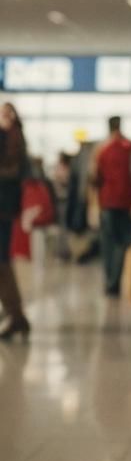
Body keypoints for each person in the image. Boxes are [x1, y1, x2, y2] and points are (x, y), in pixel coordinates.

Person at [90, 116, 131, 296]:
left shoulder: (102, 149)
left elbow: (95, 178)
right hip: (127, 202)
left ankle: (110, 280)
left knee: (108, 242)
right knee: (123, 242)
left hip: (107, 202)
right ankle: (115, 280)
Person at [0, 102, 30, 341]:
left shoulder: (8, 138)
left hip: (3, 208)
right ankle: (15, 313)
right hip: (7, 209)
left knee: (2, 263)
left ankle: (16, 315)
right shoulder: (17, 138)